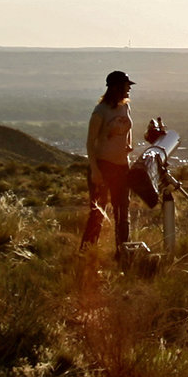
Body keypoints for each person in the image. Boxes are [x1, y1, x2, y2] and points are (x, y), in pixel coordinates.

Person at [82, 70, 137, 250]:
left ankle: (123, 252)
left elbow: (128, 127)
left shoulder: (125, 106)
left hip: (122, 166)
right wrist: (95, 170)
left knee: (122, 212)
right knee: (98, 212)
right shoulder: (100, 111)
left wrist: (128, 144)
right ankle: (87, 252)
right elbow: (90, 142)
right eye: (126, 85)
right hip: (103, 166)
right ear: (116, 87)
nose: (129, 88)